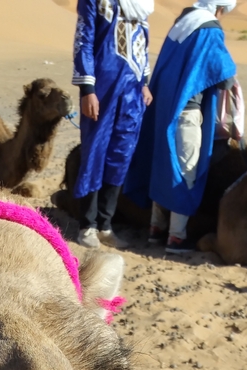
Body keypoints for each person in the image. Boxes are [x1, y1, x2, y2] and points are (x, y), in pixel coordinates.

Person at [125, 0, 238, 252]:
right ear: (219, 8)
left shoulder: (181, 24)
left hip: (164, 110)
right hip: (186, 114)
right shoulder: (209, 29)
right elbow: (226, 77)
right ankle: (176, 237)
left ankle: (156, 228)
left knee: (163, 165)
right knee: (186, 172)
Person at [72, 0, 155, 250]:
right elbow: (83, 40)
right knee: (95, 152)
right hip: (103, 87)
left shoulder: (141, 4)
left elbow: (142, 45)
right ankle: (87, 225)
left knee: (121, 156)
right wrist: (88, 89)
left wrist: (145, 82)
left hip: (133, 92)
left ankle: (105, 225)